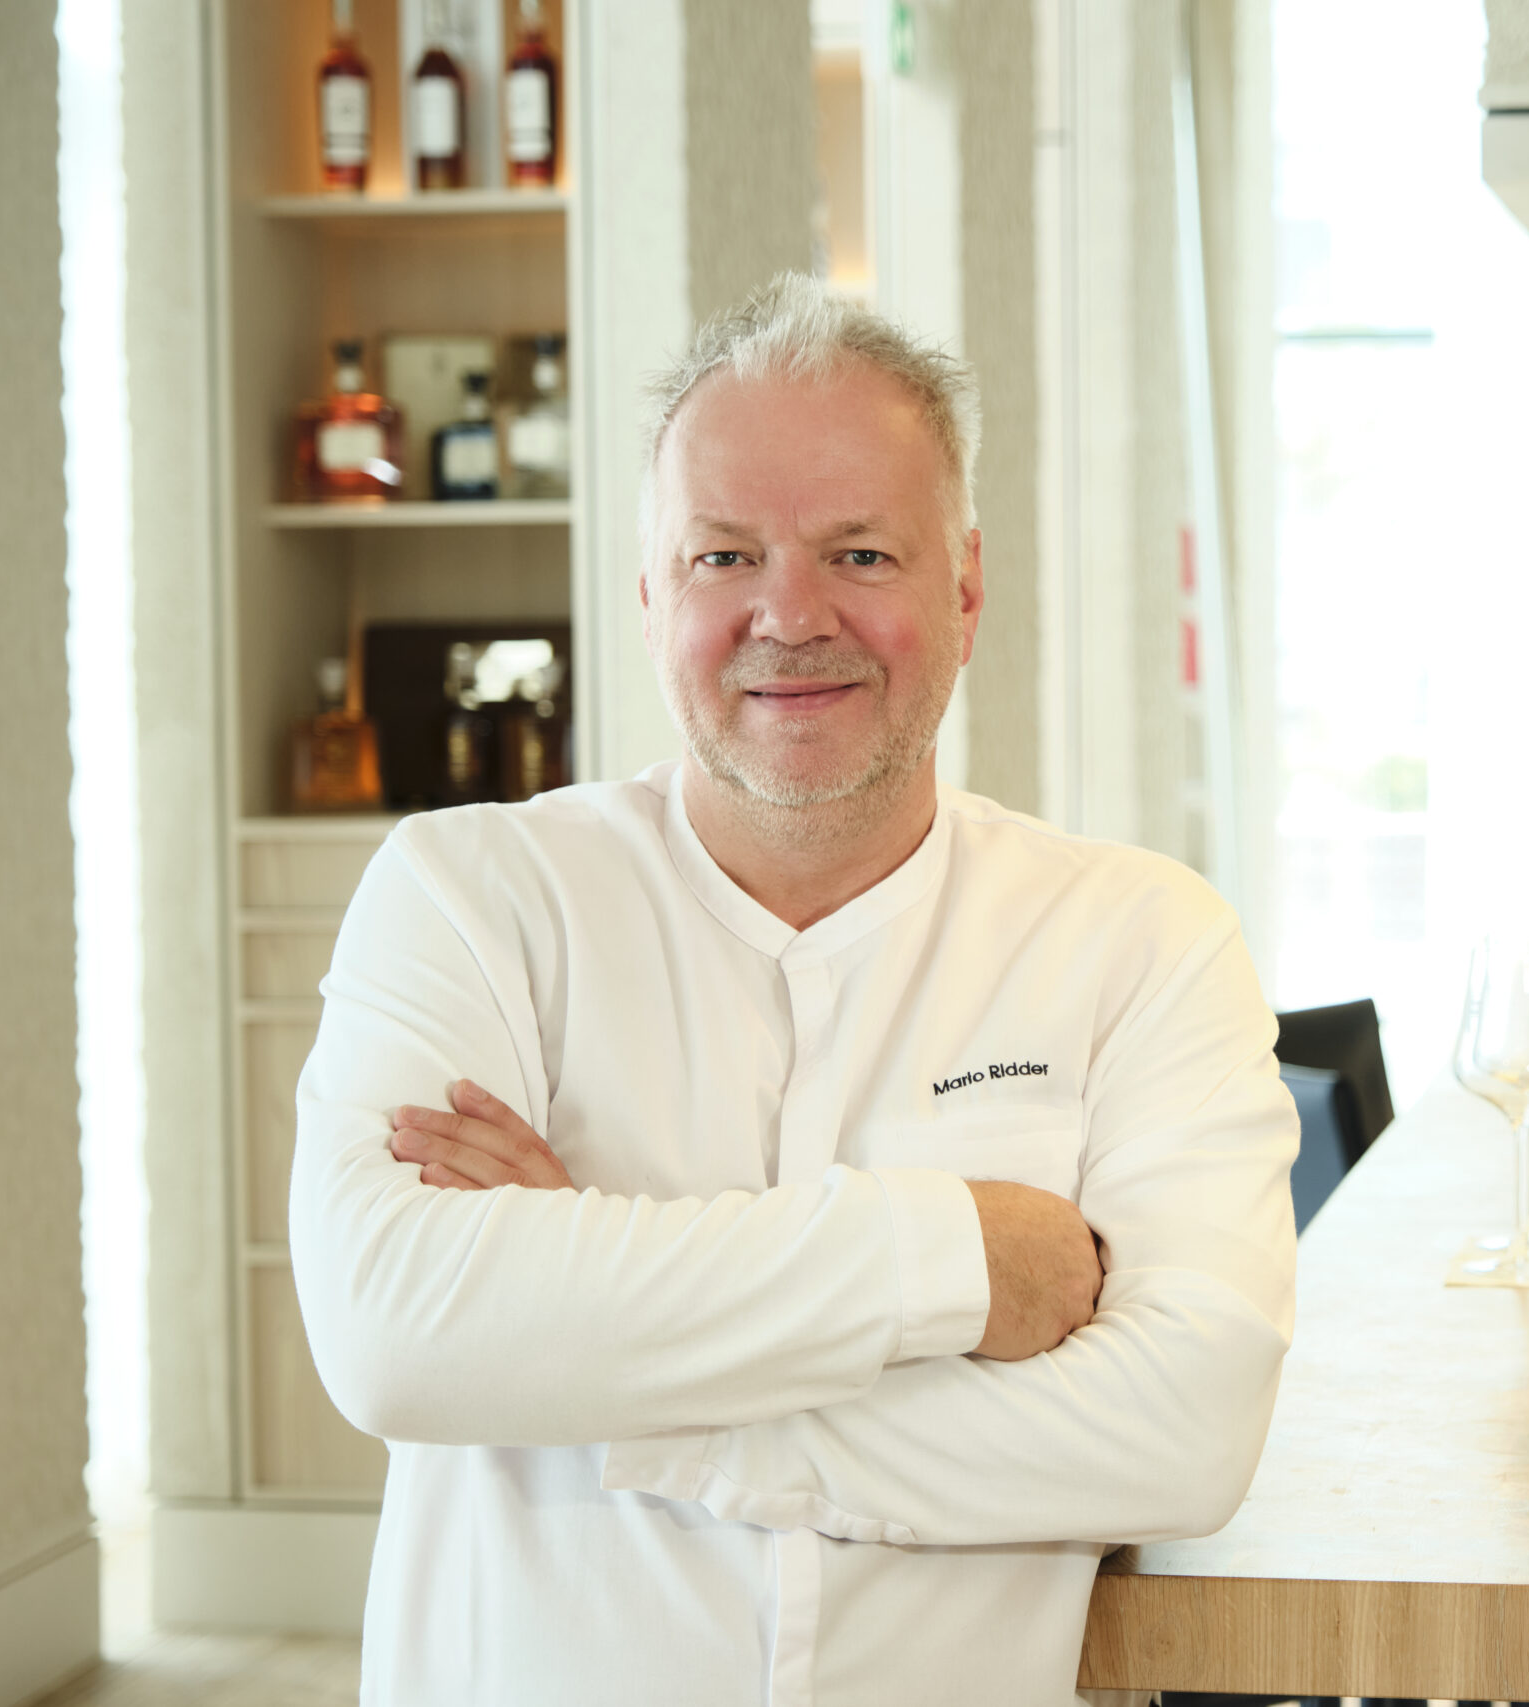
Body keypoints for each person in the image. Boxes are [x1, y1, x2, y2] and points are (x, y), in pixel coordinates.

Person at [288, 270, 1298, 1706]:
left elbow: (1184, 1430)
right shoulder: (471, 897)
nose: (788, 615)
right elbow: (396, 1334)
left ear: (965, 589)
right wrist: (953, 1258)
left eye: (862, 555)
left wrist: (613, 1370)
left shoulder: (1141, 938)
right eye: (722, 558)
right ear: (650, 598)